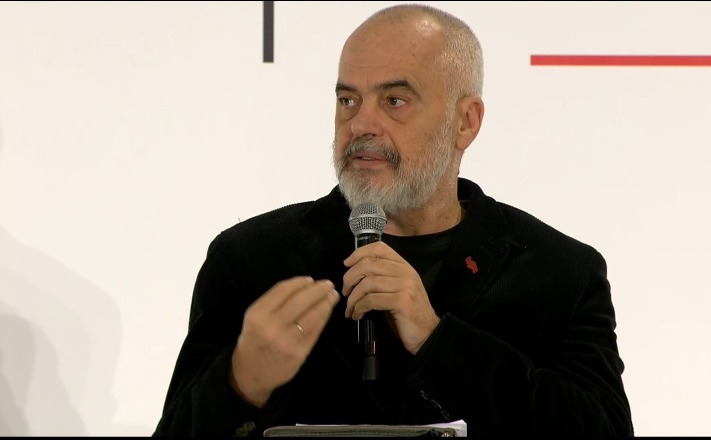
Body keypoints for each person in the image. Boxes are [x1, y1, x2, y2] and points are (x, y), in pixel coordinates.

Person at [152, 3, 633, 437]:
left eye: (394, 101)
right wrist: (241, 383)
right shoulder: (251, 260)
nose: (361, 124)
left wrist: (436, 339)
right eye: (348, 101)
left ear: (465, 121)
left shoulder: (561, 272)